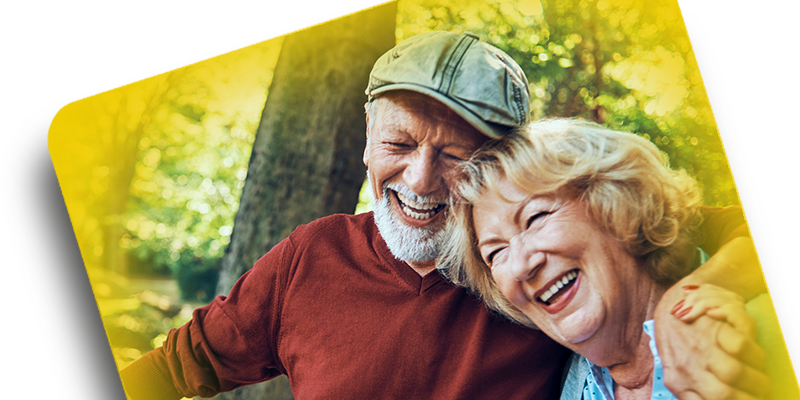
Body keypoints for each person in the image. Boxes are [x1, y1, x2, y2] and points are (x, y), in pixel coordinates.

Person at [120, 32, 766, 400]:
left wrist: (698, 299)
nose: (422, 179)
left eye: (456, 155)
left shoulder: (547, 267)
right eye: (399, 145)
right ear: (368, 141)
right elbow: (181, 365)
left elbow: (713, 229)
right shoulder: (309, 258)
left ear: (499, 170)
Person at [439, 118, 783, 400]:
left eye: (537, 217)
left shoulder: (760, 326)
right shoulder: (568, 383)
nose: (521, 265)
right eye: (495, 252)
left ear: (617, 204)